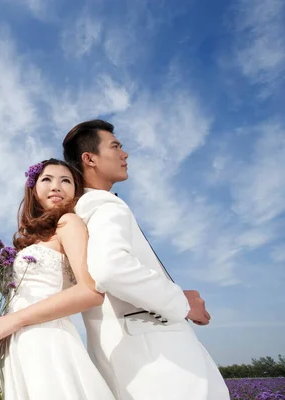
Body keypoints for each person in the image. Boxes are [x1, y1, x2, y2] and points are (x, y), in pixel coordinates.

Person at [61, 119, 230, 400]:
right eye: (115, 146)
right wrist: (181, 302)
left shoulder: (80, 211)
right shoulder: (103, 205)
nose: (124, 154)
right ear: (89, 159)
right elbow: (111, 269)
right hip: (163, 365)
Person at [0, 158, 115, 400]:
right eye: (47, 179)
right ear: (33, 188)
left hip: (47, 341)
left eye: (66, 181)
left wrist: (13, 321)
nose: (56, 186)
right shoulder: (30, 241)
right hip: (15, 346)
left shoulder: (68, 223)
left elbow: (90, 291)